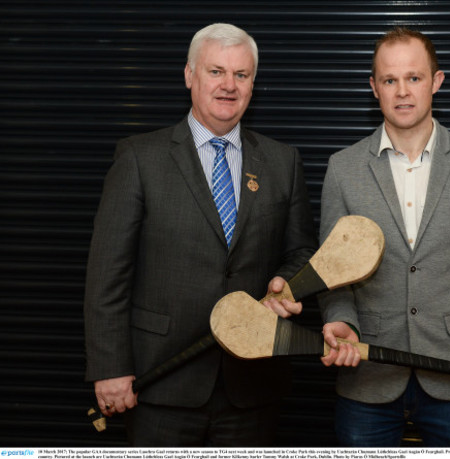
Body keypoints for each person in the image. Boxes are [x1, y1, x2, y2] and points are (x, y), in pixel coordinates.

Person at [84, 23, 317, 446]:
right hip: (160, 383)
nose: (229, 85)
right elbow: (107, 276)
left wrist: (287, 284)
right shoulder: (140, 158)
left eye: (241, 75)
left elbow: (300, 250)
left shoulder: (284, 162)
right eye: (216, 72)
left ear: (253, 83)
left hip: (253, 383)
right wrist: (109, 367)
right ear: (190, 75)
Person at [318, 27, 450, 447]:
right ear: (373, 87)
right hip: (368, 377)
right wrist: (340, 320)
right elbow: (331, 272)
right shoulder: (343, 168)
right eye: (390, 80)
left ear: (436, 81)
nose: (402, 92)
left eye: (414, 78)